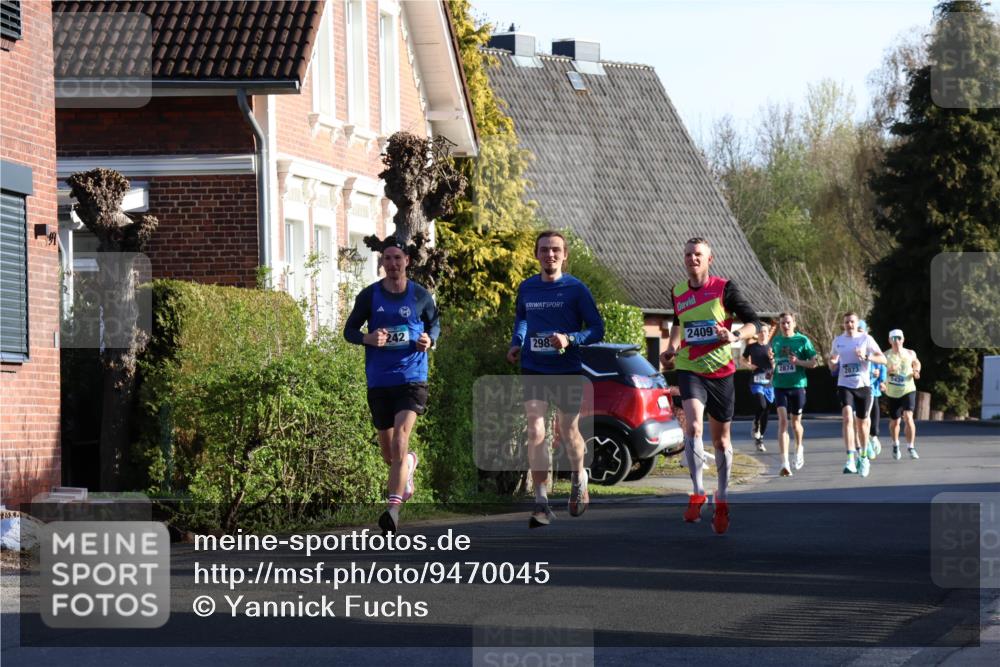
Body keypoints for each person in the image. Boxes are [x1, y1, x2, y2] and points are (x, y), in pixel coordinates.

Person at [660, 237, 761, 535]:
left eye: (698, 255)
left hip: (721, 372)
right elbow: (678, 323)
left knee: (721, 442)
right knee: (693, 428)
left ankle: (722, 498)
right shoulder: (677, 291)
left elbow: (755, 321)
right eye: (688, 254)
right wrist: (671, 348)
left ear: (709, 259)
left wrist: (735, 336)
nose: (693, 259)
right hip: (690, 368)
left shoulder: (724, 288)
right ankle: (697, 492)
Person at [508, 230, 604, 529]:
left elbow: (597, 328)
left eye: (556, 250)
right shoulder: (527, 288)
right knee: (536, 430)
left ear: (565, 255)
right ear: (536, 254)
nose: (550, 255)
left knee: (568, 430)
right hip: (533, 366)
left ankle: (578, 477)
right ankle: (541, 501)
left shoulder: (576, 289)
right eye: (544, 250)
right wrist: (517, 341)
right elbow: (522, 318)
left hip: (566, 369)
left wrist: (569, 338)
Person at [344, 237, 440, 535]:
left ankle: (393, 510)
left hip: (412, 378)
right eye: (388, 258)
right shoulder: (369, 296)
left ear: (407, 261)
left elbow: (434, 324)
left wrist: (429, 340)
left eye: (398, 258)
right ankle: (408, 466)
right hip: (379, 380)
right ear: (381, 262)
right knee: (390, 454)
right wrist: (367, 338)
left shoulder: (420, 296)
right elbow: (349, 330)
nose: (393, 264)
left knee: (401, 437)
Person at [828, 312, 887, 478]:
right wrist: (831, 363)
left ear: (857, 322)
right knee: (847, 417)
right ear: (843, 324)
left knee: (862, 425)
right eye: (846, 322)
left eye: (852, 322)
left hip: (863, 386)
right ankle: (850, 458)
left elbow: (883, 359)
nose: (849, 325)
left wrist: (866, 356)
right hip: (844, 385)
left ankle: (863, 458)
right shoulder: (838, 341)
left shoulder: (866, 339)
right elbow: (832, 362)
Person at [770, 312, 820, 476]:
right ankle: (784, 463)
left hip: (797, 386)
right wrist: (771, 371)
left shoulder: (802, 340)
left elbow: (814, 363)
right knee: (783, 421)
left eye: (788, 323)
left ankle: (799, 448)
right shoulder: (776, 341)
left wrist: (797, 362)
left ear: (794, 323)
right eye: (782, 323)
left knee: (795, 423)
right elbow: (774, 362)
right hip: (779, 386)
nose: (785, 326)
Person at [884, 329, 922, 460]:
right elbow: (879, 372)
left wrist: (916, 370)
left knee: (908, 417)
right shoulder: (885, 356)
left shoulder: (910, 353)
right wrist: (889, 371)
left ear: (903, 339)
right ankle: (895, 444)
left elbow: (916, 362)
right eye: (893, 338)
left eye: (899, 338)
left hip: (908, 390)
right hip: (892, 393)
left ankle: (911, 447)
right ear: (889, 341)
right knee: (895, 422)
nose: (897, 341)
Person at [740, 321, 775, 453]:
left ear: (768, 333)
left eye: (765, 331)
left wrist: (772, 360)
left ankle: (760, 439)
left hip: (769, 382)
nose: (762, 334)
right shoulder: (752, 347)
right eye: (760, 332)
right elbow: (742, 359)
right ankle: (756, 422)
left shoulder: (772, 347)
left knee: (766, 412)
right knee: (762, 405)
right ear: (757, 334)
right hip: (755, 381)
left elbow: (775, 367)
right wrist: (749, 366)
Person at [858, 320, 886, 460]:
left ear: (866, 332)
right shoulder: (850, 347)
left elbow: (882, 365)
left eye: (860, 329)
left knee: (870, 417)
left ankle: (872, 437)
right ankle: (865, 444)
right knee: (859, 419)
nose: (858, 332)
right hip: (855, 388)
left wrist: (881, 379)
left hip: (872, 389)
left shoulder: (871, 347)